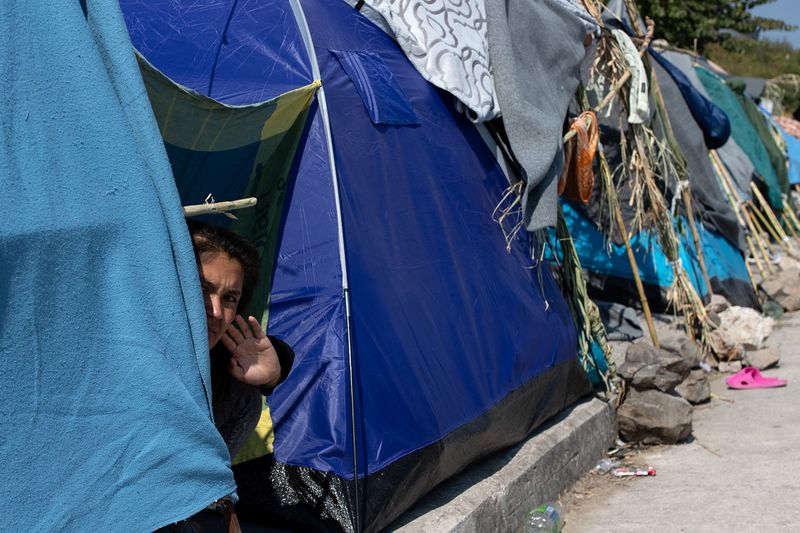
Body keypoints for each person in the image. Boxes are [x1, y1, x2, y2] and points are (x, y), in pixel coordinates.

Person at [187, 218, 293, 458]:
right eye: (203, 288)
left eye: (230, 298)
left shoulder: (225, 379)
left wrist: (273, 374)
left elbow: (279, 355)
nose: (215, 311)